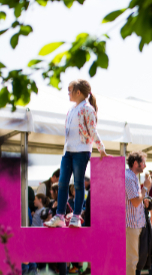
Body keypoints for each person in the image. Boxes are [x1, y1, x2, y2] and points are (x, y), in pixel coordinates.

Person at [45, 79, 107, 228]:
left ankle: (77, 216)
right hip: (68, 151)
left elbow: (92, 131)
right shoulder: (72, 109)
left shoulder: (87, 109)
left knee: (79, 184)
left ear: (78, 92)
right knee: (62, 183)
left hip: (81, 151)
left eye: (69, 90)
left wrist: (101, 149)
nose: (68, 93)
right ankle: (59, 215)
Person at [125, 151, 151, 275]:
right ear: (136, 163)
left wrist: (144, 197)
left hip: (134, 224)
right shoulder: (128, 177)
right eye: (143, 162)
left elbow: (136, 200)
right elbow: (135, 201)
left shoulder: (131, 176)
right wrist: (146, 187)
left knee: (132, 257)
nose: (145, 165)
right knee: (132, 257)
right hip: (131, 224)